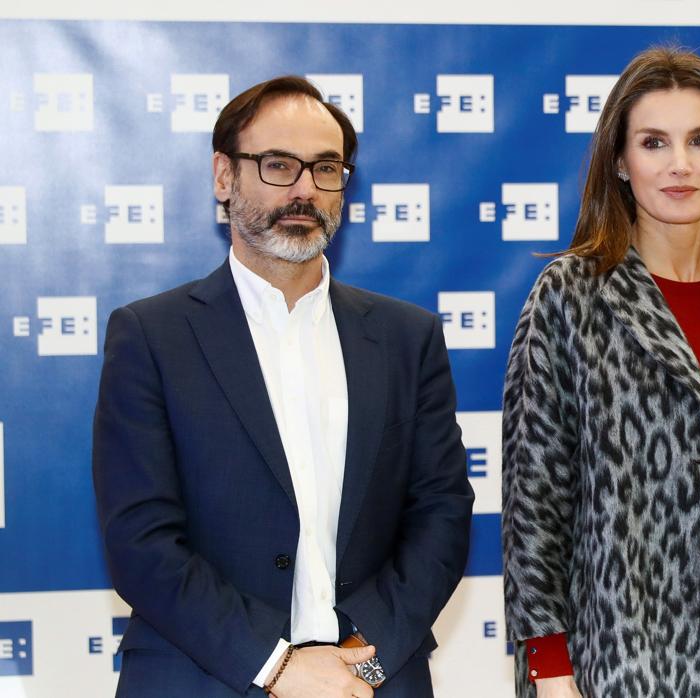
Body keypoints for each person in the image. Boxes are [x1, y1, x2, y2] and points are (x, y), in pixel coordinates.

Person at [92, 76, 474, 698]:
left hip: (373, 676)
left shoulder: (409, 338)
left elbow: (442, 517)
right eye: (277, 165)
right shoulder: (151, 336)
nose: (304, 189)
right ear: (224, 176)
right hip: (204, 678)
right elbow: (141, 542)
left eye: (326, 168)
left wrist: (357, 666)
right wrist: (277, 667)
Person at [501, 47, 700, 698]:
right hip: (628, 652)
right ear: (620, 161)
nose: (680, 164)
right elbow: (536, 502)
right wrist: (550, 668)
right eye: (654, 142)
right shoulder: (570, 295)